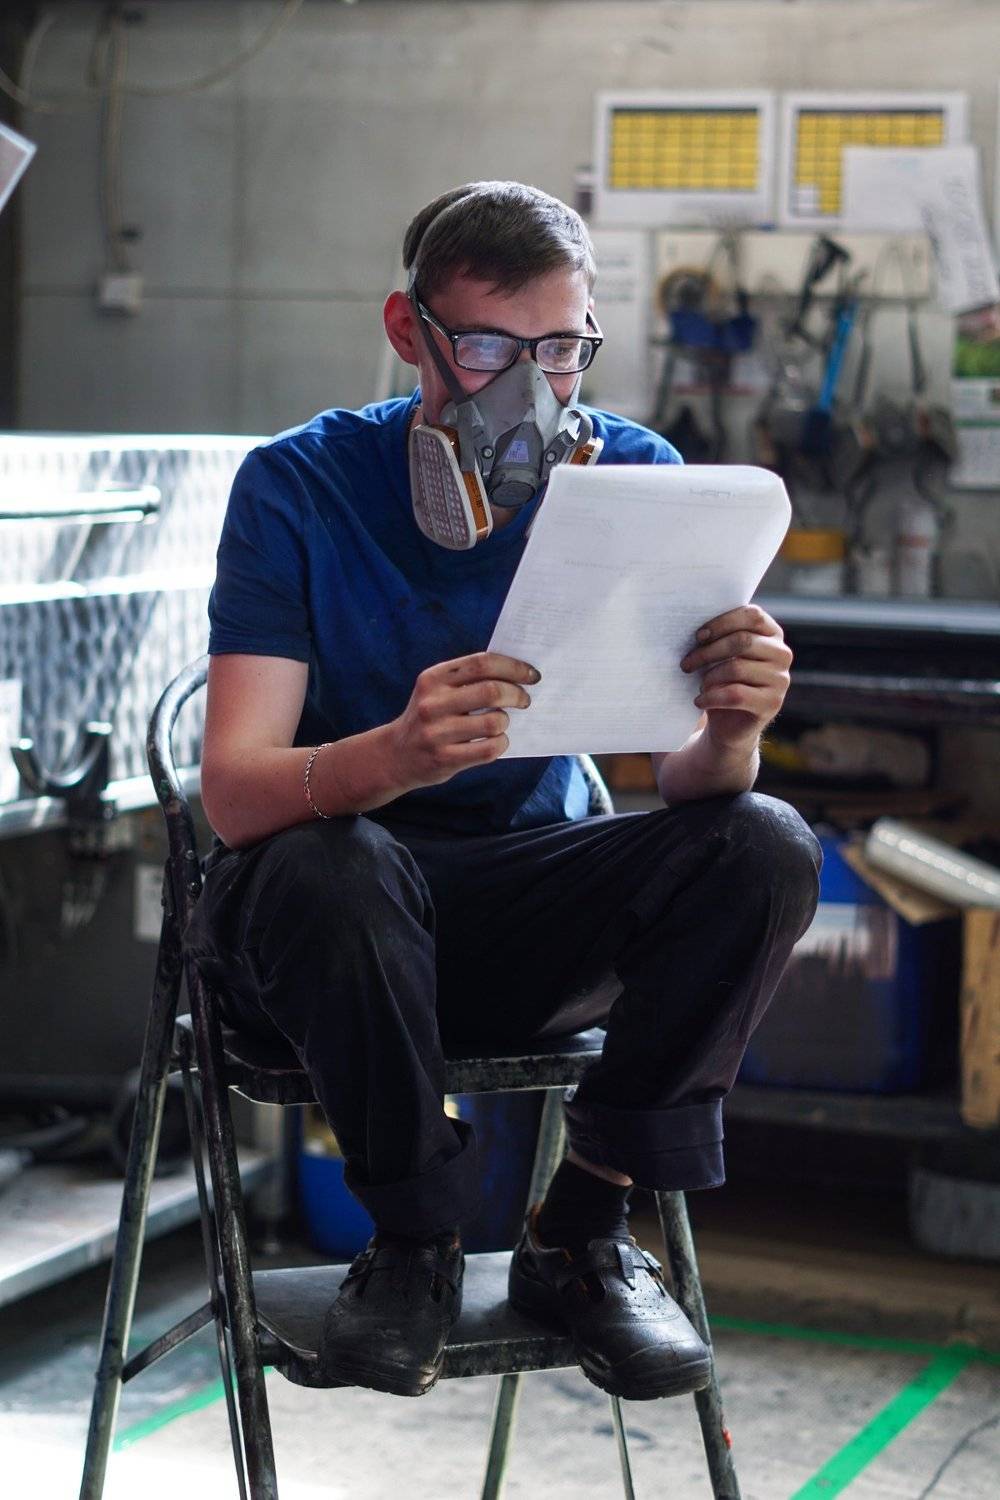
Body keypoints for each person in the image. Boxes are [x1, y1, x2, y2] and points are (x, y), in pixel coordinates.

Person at [186, 180, 822, 1403]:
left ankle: (579, 1232)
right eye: (484, 347)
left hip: (521, 919)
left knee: (762, 843)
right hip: (321, 945)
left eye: (561, 351)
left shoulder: (636, 479)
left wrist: (734, 727)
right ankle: (414, 1243)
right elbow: (236, 795)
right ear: (407, 329)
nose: (529, 392)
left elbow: (689, 788)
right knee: (334, 859)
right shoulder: (301, 486)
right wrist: (392, 756)